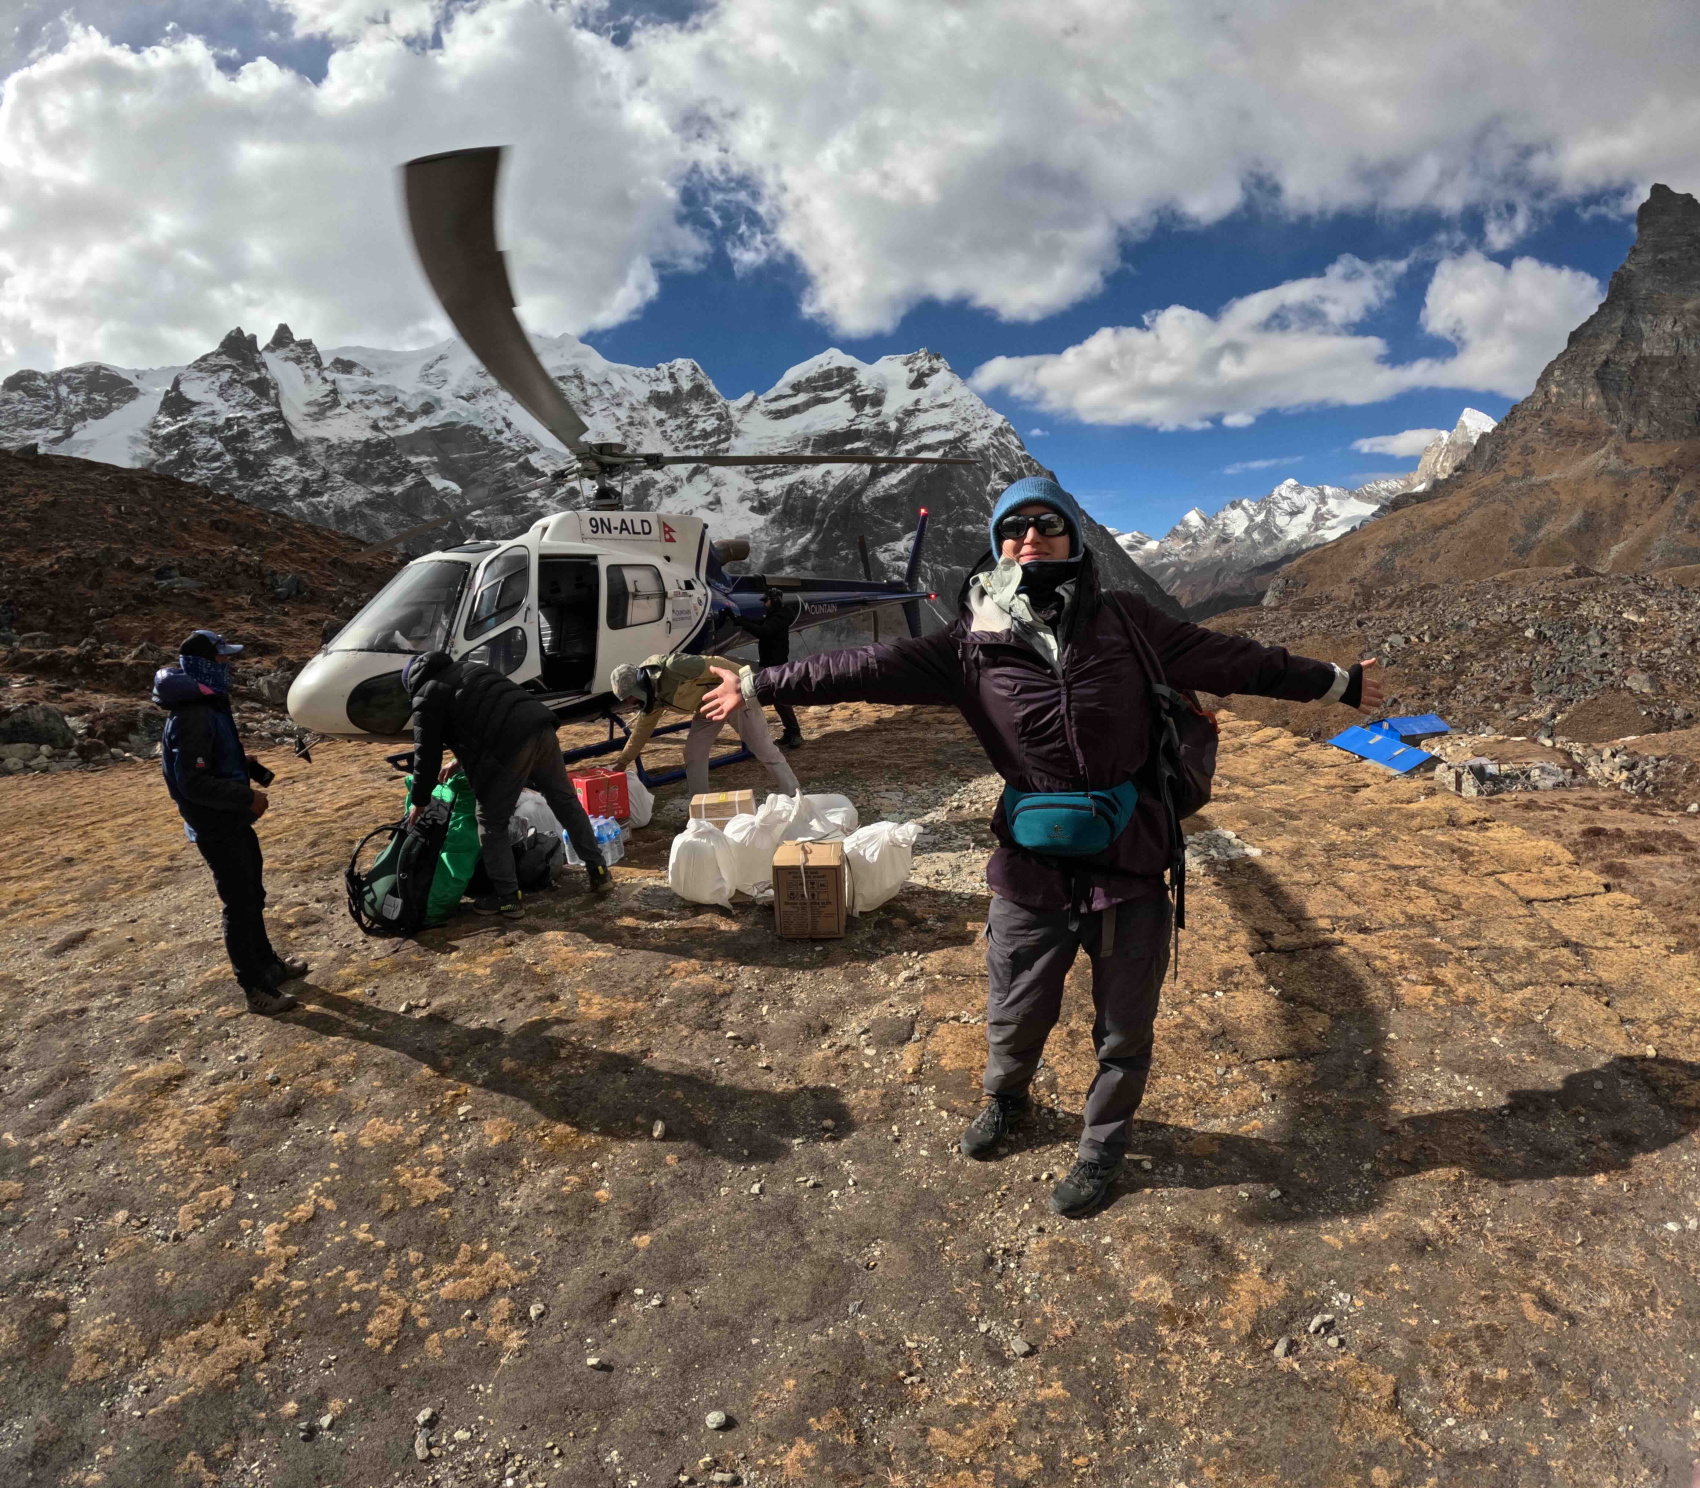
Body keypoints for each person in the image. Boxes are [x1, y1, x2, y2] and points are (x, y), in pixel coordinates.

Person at [702, 475, 1385, 1219]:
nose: (1029, 537)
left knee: (1125, 1025)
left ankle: (1102, 1149)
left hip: (1129, 864)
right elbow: (860, 670)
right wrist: (757, 681)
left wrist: (1336, 683)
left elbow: (1234, 659)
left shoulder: (1128, 622)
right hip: (1030, 869)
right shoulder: (969, 646)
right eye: (1013, 527)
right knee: (1015, 1005)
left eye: (1046, 524)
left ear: (1073, 540)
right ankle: (1007, 1100)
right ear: (998, 544)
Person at [154, 630, 307, 1016]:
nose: (229, 666)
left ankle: (268, 966)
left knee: (251, 896)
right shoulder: (193, 714)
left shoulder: (209, 706)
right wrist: (247, 797)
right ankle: (254, 987)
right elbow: (193, 782)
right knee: (238, 905)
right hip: (217, 827)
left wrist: (246, 766)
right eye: (223, 660)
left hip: (231, 822)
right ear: (205, 665)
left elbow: (210, 763)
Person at [403, 650, 610, 920]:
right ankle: (599, 871)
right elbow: (487, 713)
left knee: (490, 821)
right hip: (540, 728)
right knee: (565, 801)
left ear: (411, 684)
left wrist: (419, 802)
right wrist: (459, 762)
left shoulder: (425, 694)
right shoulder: (469, 668)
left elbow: (426, 755)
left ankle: (508, 897)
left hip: (505, 747)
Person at [608, 651, 800, 798]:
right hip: (708, 707)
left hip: (734, 695)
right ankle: (700, 812)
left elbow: (719, 664)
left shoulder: (674, 667)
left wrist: (748, 687)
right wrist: (622, 762)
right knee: (694, 753)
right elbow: (642, 730)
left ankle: (794, 795)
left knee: (763, 747)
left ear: (640, 684)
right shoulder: (653, 698)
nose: (631, 703)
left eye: (631, 698)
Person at [742, 588, 803, 748]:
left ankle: (795, 733)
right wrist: (739, 619)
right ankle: (790, 732)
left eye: (766, 600)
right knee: (778, 699)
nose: (764, 604)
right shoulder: (775, 615)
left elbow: (763, 631)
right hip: (772, 662)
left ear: (774, 600)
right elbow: (760, 624)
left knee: (781, 699)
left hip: (776, 664)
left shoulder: (779, 616)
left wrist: (741, 622)